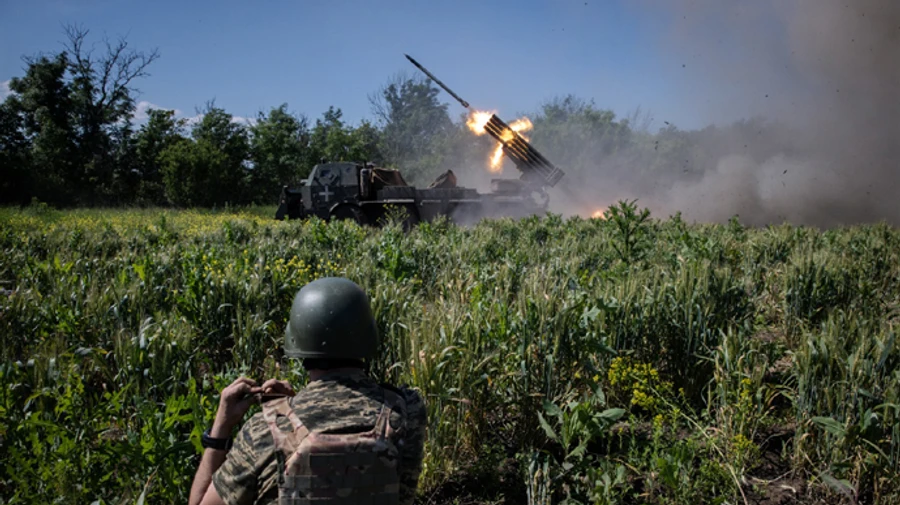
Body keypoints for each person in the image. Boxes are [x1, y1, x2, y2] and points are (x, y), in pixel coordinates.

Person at [189, 277, 427, 505]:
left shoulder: (263, 431)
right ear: (368, 337)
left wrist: (221, 429)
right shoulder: (407, 411)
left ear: (297, 341)